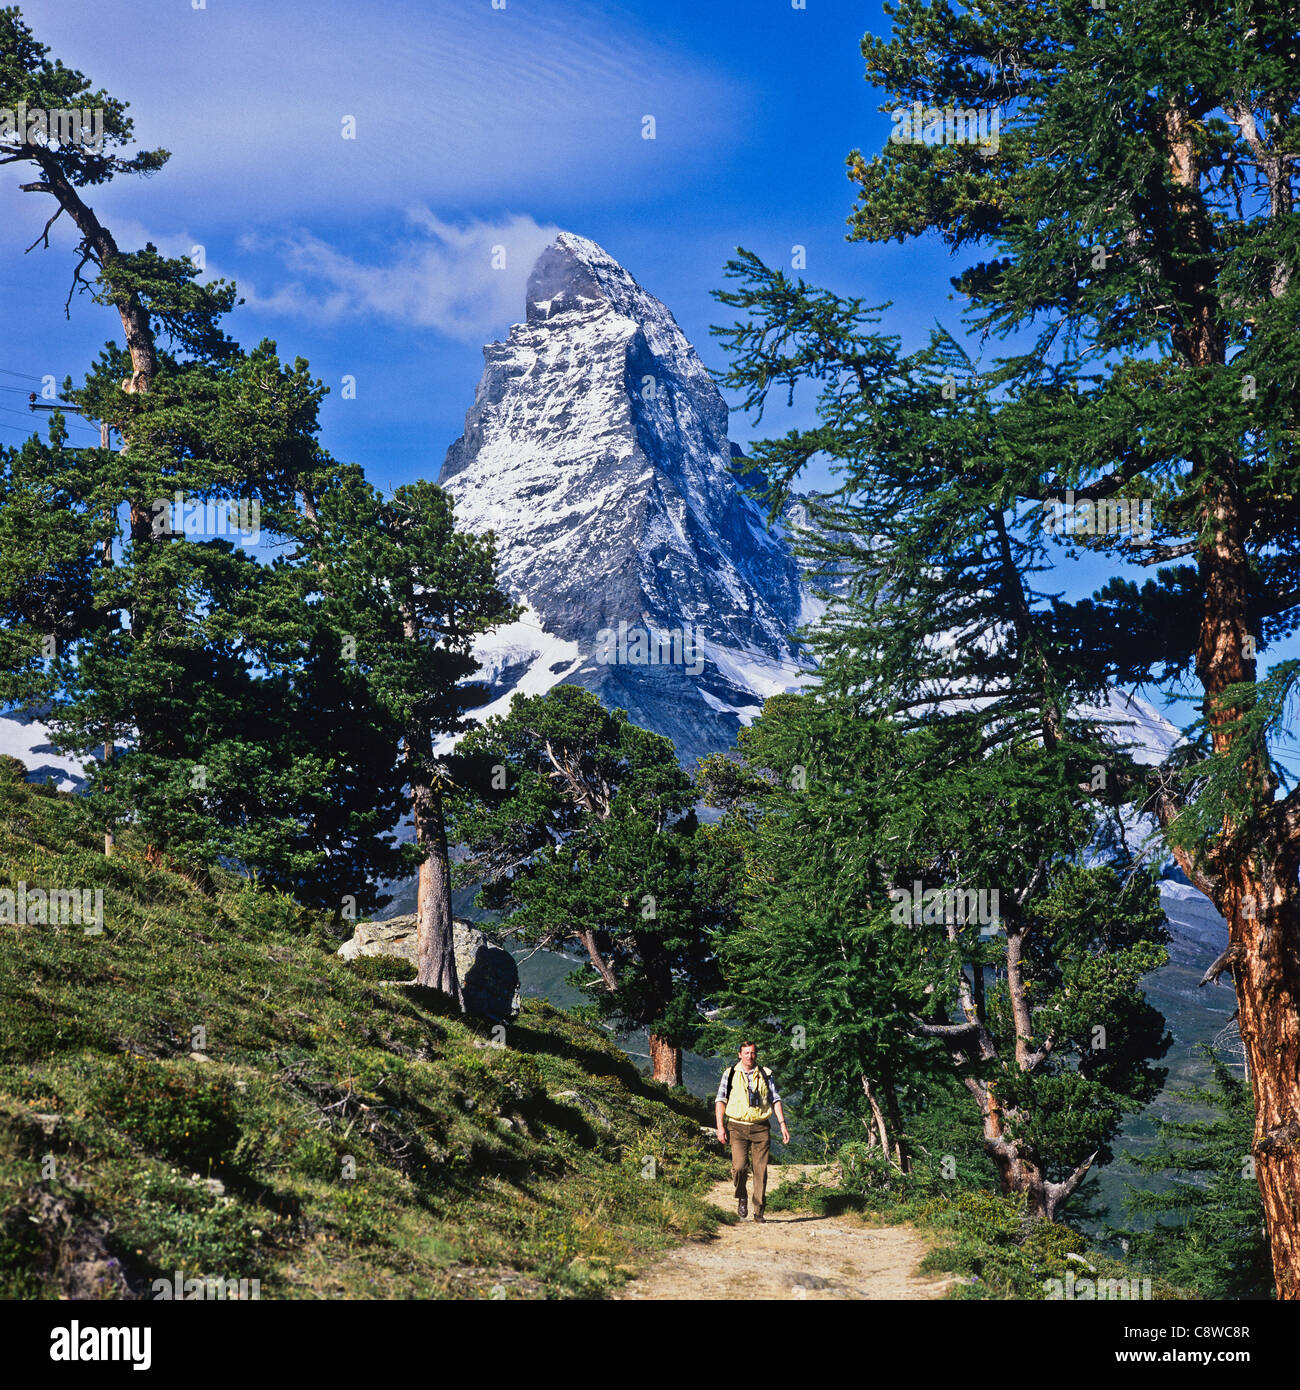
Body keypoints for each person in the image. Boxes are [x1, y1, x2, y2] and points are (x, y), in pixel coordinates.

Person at [715, 1041, 791, 1222]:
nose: (750, 1056)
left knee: (760, 1170)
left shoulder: (766, 1073)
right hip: (737, 1126)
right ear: (740, 1054)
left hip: (761, 1127)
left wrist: (782, 1124)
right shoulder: (731, 1073)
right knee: (739, 1167)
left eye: (753, 1053)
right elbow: (720, 1099)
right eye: (746, 1053)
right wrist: (720, 1126)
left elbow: (775, 1099)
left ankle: (759, 1211)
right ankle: (742, 1195)